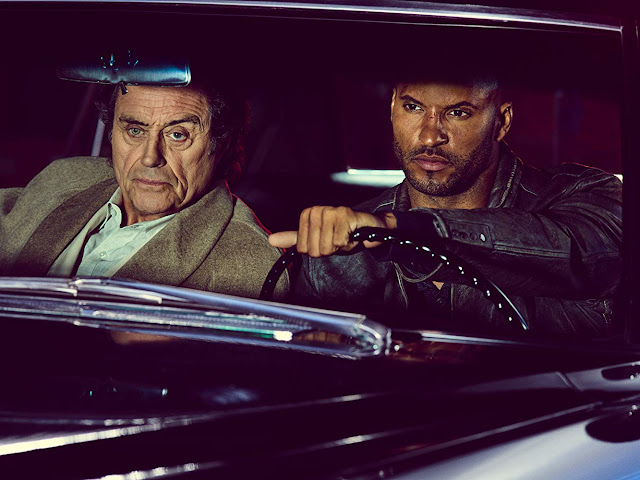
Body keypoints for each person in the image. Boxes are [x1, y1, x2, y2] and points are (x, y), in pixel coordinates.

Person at [269, 76, 622, 337]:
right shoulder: (337, 252)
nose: (429, 136)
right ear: (392, 107)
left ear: (501, 122)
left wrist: (401, 232)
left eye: (458, 113)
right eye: (413, 107)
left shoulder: (587, 194)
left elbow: (583, 256)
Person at [0, 81, 288, 300]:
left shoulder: (252, 262)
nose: (150, 157)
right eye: (135, 131)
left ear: (220, 144)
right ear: (112, 132)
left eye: (177, 135)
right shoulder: (64, 178)